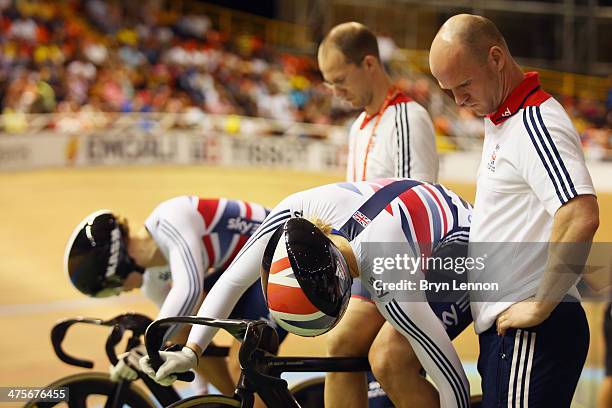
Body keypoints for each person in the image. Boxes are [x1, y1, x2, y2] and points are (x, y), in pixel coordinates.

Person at [140, 178, 475, 408]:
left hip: (461, 245)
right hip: (388, 230)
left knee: (390, 360)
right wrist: (192, 348)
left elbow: (452, 381)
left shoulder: (392, 275)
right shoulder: (291, 214)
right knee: (341, 345)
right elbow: (231, 282)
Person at [429, 14, 599, 407]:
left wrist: (540, 304)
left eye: (464, 84)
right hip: (513, 334)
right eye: (448, 90)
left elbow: (580, 215)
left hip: (530, 335)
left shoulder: (534, 121)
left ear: (496, 59)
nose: (458, 101)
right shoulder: (504, 119)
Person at [318, 22, 440, 407]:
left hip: (405, 265)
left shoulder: (406, 118)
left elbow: (415, 206)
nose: (336, 93)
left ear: (368, 63)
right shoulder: (359, 126)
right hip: (371, 263)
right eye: (329, 84)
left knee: (376, 359)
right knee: (339, 350)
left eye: (340, 80)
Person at [64, 196, 288, 401]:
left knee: (242, 366)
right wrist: (200, 391)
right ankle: (234, 402)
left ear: (116, 266)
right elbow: (180, 330)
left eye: (112, 288)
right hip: (247, 272)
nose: (120, 293)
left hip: (282, 261)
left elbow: (189, 290)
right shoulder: (151, 283)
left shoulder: (169, 218)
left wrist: (145, 348)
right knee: (180, 329)